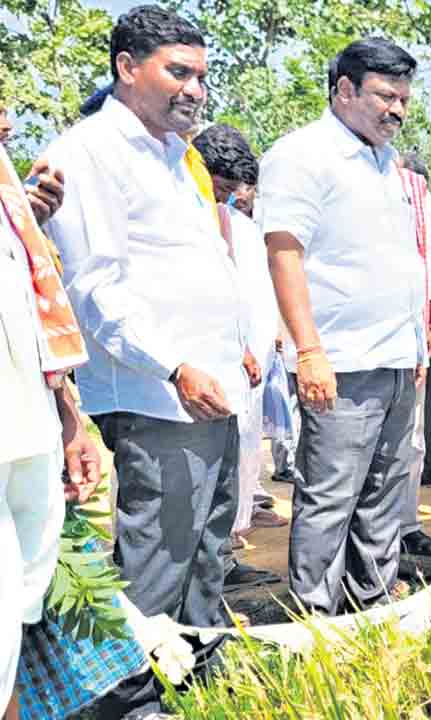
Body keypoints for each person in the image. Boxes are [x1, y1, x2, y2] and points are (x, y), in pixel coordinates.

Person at [42, 7, 251, 716]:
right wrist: (173, 367)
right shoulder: (90, 151)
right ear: (127, 68)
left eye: (201, 74)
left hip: (212, 389)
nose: (195, 89)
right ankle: (133, 705)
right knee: (156, 566)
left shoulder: (171, 153)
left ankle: (195, 692)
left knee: (207, 557)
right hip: (157, 396)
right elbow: (96, 289)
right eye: (178, 72)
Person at [259, 37, 431, 615]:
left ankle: (373, 605)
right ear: (344, 90)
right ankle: (315, 616)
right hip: (340, 362)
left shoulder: (386, 162)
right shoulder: (302, 155)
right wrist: (309, 352)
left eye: (404, 99)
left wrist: (415, 341)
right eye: (386, 96)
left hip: (394, 357)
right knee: (331, 497)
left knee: (384, 496)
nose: (398, 111)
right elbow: (284, 251)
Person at [1, 112, 98, 720]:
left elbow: (27, 312)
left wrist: (68, 416)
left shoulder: (7, 184)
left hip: (27, 417)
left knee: (20, 592)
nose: (7, 120)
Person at [191, 124, 288, 592]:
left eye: (238, 192)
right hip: (197, 374)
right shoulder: (180, 224)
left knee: (238, 467)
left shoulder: (246, 230)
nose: (230, 200)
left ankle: (222, 559)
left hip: (246, 375)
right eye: (223, 189)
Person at [396, 150, 431, 557]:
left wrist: (430, 326)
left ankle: (405, 526)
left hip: (410, 336)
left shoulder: (421, 206)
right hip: (356, 346)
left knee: (411, 439)